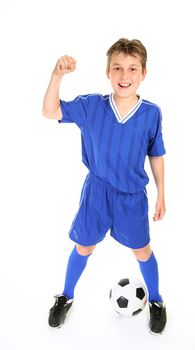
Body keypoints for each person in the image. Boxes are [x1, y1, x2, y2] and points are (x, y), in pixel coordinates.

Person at [42, 38, 167, 334]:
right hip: (96, 193)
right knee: (83, 245)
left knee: (142, 250)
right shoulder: (91, 107)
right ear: (107, 72)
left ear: (143, 73)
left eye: (132, 68)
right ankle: (65, 296)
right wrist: (57, 75)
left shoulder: (151, 113)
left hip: (132, 197)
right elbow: (50, 111)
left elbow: (156, 153)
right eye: (118, 68)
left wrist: (162, 194)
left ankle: (157, 301)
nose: (125, 76)